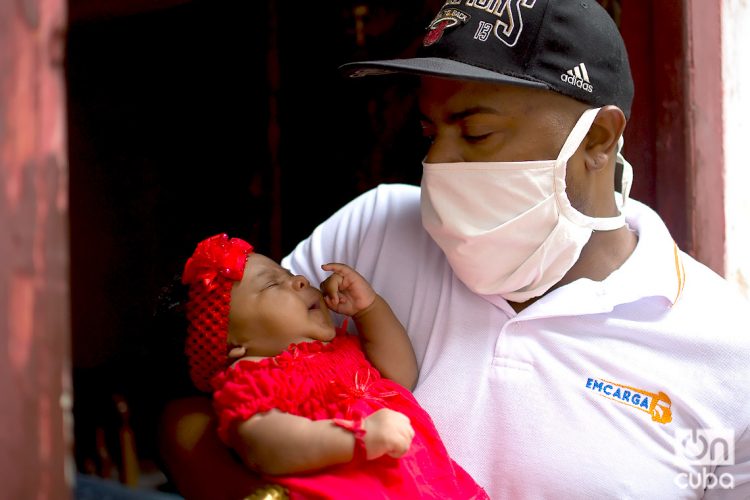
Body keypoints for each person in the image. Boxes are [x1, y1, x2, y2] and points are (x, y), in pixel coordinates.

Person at [160, 1, 750, 498]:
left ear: (596, 139)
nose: (437, 164)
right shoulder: (373, 231)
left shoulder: (725, 355)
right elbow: (192, 417)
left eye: (476, 132)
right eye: (428, 131)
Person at [177, 233, 488, 499]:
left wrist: (369, 309)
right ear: (234, 344)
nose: (298, 279)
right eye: (272, 285)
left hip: (431, 482)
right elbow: (264, 446)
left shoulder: (346, 347)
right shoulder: (253, 376)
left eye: (288, 275)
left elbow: (402, 377)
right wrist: (354, 437)